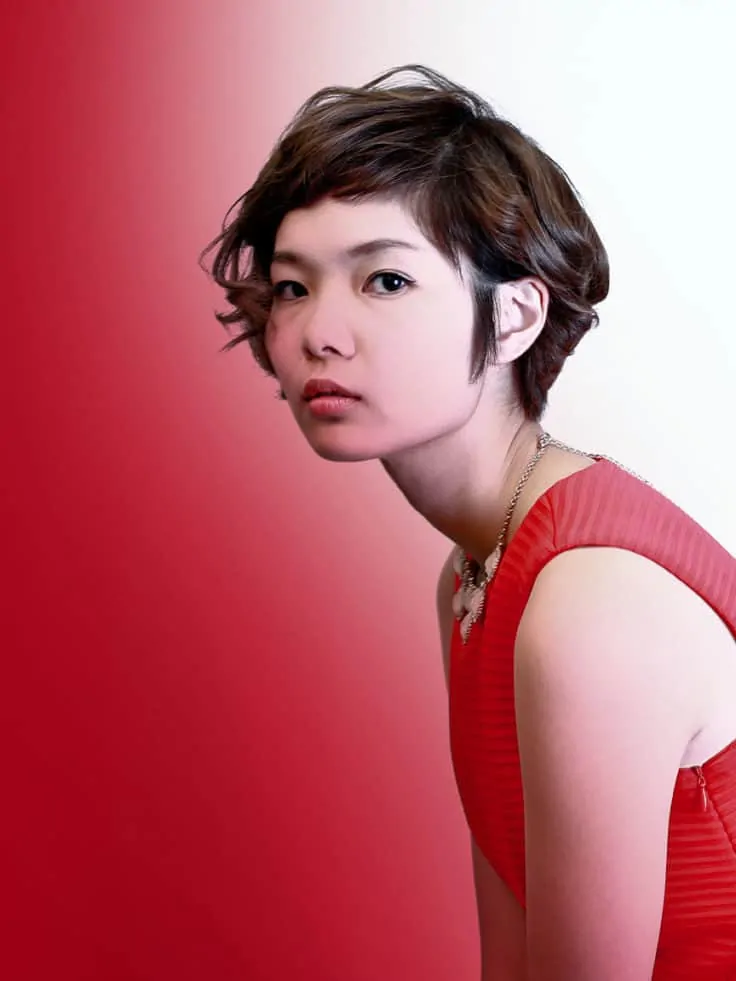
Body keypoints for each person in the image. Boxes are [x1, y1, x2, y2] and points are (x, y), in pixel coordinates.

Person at [201, 65, 736, 980]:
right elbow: (514, 948)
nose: (320, 332)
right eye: (292, 287)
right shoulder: (473, 573)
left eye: (386, 280)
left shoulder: (589, 598)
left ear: (517, 314)